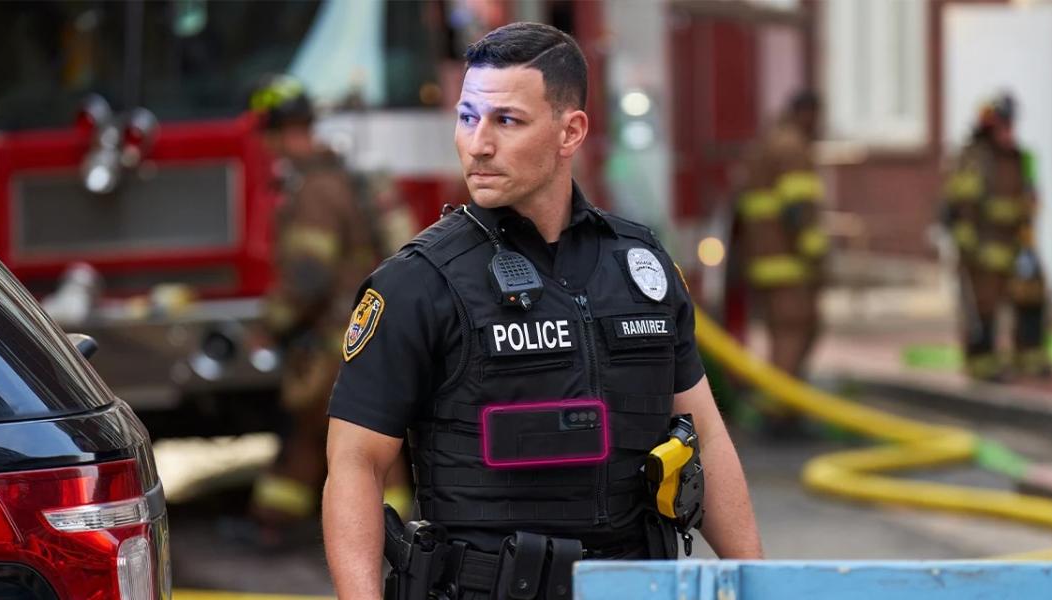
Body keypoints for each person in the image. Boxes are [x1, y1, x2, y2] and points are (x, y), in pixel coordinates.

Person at [324, 22, 762, 600]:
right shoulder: (415, 284)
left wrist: (758, 583)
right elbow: (354, 466)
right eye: (466, 117)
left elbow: (704, 435)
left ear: (570, 131)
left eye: (506, 121)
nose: (477, 143)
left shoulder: (642, 270)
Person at [246, 74, 407, 544]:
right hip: (365, 329)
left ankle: (384, 535)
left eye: (271, 137)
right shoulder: (343, 179)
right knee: (320, 431)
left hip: (335, 337)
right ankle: (274, 521)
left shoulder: (315, 191)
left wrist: (269, 328)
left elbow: (308, 277)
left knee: (345, 436)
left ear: (282, 134)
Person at [729, 91, 828, 434]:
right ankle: (780, 413)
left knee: (781, 333)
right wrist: (816, 256)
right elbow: (797, 210)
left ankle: (782, 407)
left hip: (763, 262)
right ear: (806, 112)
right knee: (796, 330)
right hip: (790, 263)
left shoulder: (765, 145)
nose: (821, 125)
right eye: (818, 115)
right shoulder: (793, 148)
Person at [941, 93, 1051, 381]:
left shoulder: (1019, 158)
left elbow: (1029, 199)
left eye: (1011, 123)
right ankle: (982, 365)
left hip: (1016, 245)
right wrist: (968, 247)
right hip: (983, 248)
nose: (1009, 130)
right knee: (983, 306)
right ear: (990, 126)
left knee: (1033, 294)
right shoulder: (974, 158)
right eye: (1004, 124)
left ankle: (1029, 357)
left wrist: (1027, 229)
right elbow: (961, 205)